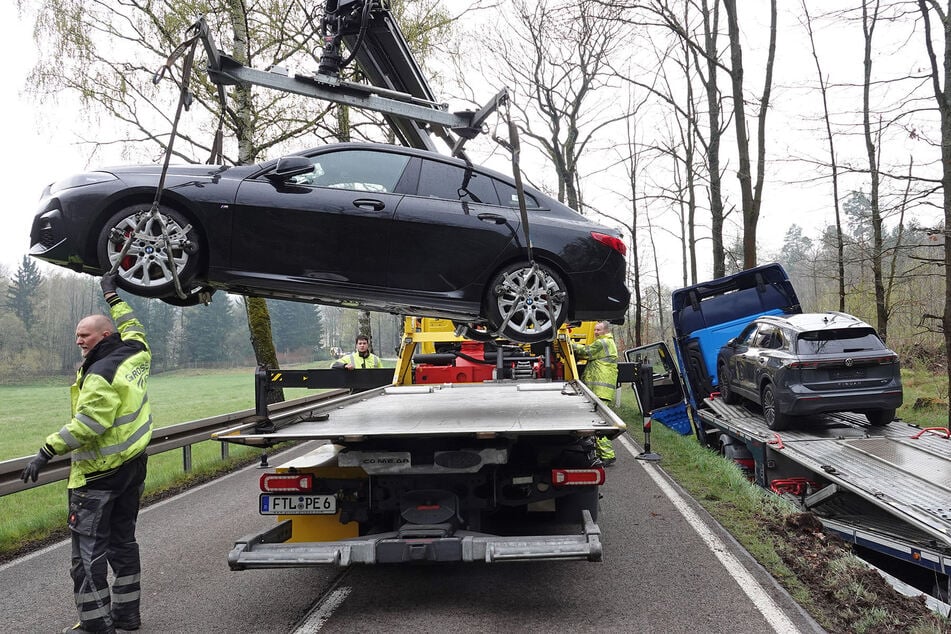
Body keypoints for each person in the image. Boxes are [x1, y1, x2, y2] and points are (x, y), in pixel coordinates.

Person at [21, 273, 152, 634]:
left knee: (87, 556)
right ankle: (128, 616)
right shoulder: (137, 351)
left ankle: (95, 626)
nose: (78, 340)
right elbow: (133, 323)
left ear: (104, 337)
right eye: (78, 334)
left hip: (97, 476)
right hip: (132, 468)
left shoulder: (99, 374)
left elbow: (89, 424)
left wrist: (46, 451)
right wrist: (112, 294)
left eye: (85, 335)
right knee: (123, 543)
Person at [573, 320, 619, 466]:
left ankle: (607, 456)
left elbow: (586, 352)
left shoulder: (603, 343)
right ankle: (602, 454)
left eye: (598, 330)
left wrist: (568, 343)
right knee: (598, 424)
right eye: (595, 330)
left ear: (605, 330)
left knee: (600, 426)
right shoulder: (606, 343)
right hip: (601, 390)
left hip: (601, 390)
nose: (595, 332)